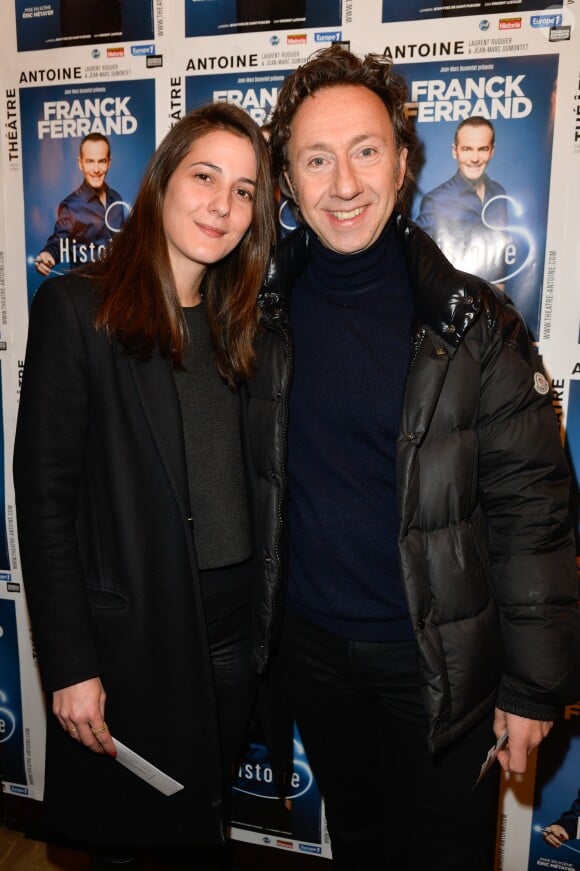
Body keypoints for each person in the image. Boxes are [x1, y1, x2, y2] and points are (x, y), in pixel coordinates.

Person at [248, 45, 580, 871]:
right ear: (288, 183)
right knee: (358, 844)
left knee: (446, 856)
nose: (345, 182)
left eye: (365, 151)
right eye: (316, 160)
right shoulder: (258, 313)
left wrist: (535, 685)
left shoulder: (474, 319)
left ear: (402, 161)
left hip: (437, 662)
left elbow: (533, 506)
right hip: (312, 655)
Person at [14, 102, 276, 869]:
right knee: (129, 841)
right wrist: (68, 663)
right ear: (162, 180)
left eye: (244, 189)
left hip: (233, 634)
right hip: (132, 638)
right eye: (204, 177)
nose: (221, 205)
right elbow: (46, 500)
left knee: (195, 829)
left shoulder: (244, 318)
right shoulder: (78, 308)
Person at [415, 117, 509, 285]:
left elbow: (499, 263)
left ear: (492, 151)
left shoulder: (499, 194)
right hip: (451, 305)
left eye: (482, 149)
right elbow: (420, 265)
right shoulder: (435, 202)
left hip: (494, 305)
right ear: (455, 151)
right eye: (467, 149)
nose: (474, 158)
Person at [35, 133, 126, 277]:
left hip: (115, 287)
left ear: (109, 162)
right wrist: (48, 254)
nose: (96, 169)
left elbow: (123, 244)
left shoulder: (116, 199)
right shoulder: (71, 206)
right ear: (80, 163)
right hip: (83, 290)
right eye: (90, 161)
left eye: (101, 161)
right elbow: (58, 242)